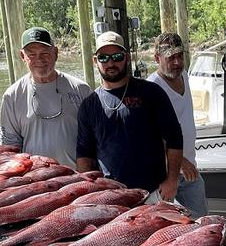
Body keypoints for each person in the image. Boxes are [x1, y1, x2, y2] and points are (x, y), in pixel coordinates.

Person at [76, 31, 183, 203]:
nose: (111, 62)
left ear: (126, 57)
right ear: (95, 61)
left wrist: (172, 181)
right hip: (110, 198)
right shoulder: (89, 105)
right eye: (104, 58)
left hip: (153, 194)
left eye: (117, 56)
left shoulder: (151, 92)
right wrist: (87, 194)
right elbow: (84, 155)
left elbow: (175, 138)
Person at [0, 27, 92, 168]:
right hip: (36, 183)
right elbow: (11, 147)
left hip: (78, 179)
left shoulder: (81, 89)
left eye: (45, 53)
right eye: (31, 54)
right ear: (22, 56)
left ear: (55, 53)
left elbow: (95, 137)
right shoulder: (11, 96)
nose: (39, 60)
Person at [147, 32, 208, 218]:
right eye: (170, 57)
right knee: (164, 225)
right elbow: (153, 134)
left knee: (201, 222)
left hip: (190, 169)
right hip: (164, 174)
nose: (177, 62)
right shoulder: (152, 88)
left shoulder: (184, 76)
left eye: (180, 56)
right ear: (157, 58)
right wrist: (182, 161)